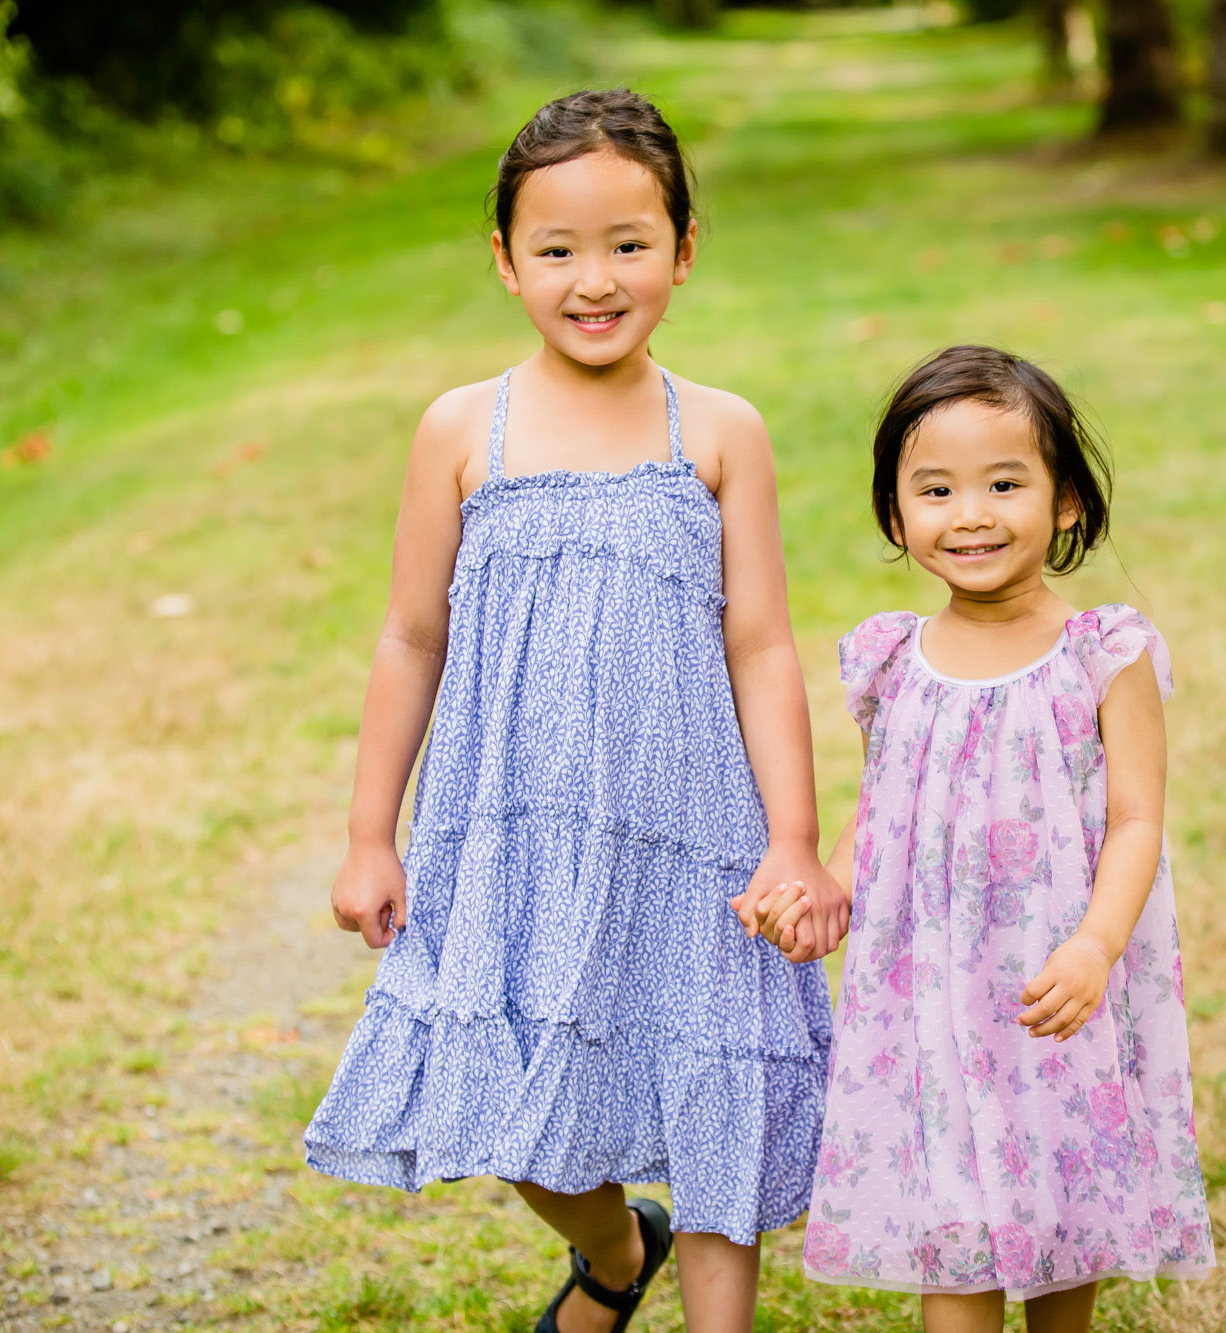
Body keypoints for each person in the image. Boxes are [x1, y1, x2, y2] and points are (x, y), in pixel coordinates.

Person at [303, 89, 850, 1333]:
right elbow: (408, 635)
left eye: (627, 245)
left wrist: (792, 838)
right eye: (555, 250)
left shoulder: (715, 431)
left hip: (694, 830)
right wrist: (368, 833)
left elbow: (760, 644)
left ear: (683, 249)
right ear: (504, 263)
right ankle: (613, 1250)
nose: (591, 280)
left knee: (713, 1103)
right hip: (511, 832)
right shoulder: (463, 429)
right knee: (520, 1107)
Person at [749, 345, 1215, 1333]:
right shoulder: (893, 661)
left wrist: (1093, 945)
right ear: (894, 515)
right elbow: (883, 819)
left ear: (1065, 505)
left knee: (1055, 1200)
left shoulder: (1101, 653)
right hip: (928, 999)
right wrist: (825, 897)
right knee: (947, 1217)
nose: (968, 513)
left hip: (1051, 986)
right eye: (934, 489)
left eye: (1004, 483)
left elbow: (1136, 818)